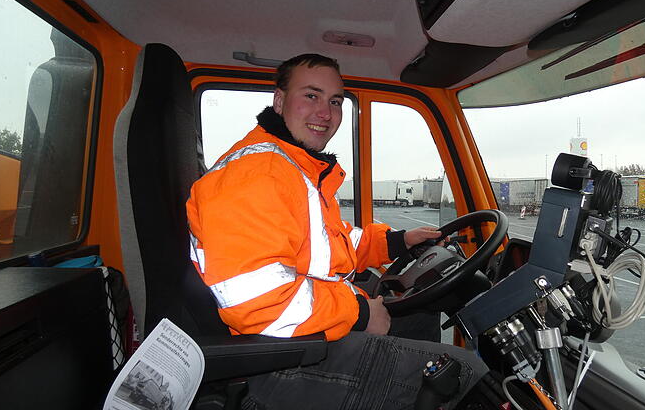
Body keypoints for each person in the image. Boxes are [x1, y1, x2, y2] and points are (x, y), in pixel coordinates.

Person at [186, 54, 489, 409]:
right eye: (311, 96)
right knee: (465, 372)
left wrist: (397, 241)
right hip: (277, 360)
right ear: (279, 100)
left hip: (300, 330)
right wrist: (361, 313)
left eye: (334, 101)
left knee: (415, 312)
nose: (326, 114)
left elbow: (330, 243)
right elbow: (260, 304)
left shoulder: (294, 166)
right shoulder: (257, 174)